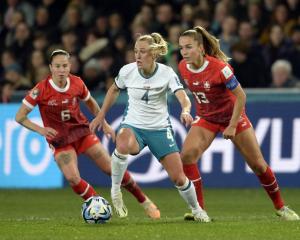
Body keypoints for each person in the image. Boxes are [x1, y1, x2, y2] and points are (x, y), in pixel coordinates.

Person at [15, 49, 160, 219]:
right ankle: (97, 204)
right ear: (51, 68)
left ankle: (144, 201)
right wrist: (41, 130)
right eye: (57, 66)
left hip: (82, 133)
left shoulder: (77, 83)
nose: (61, 70)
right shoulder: (41, 89)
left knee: (113, 169)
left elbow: (90, 103)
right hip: (60, 140)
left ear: (69, 66)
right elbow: (20, 116)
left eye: (64, 66)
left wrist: (104, 123)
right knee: (73, 179)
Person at [178, 26, 300, 221]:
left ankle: (281, 207)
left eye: (189, 47)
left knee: (258, 165)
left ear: (201, 48)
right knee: (186, 156)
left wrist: (233, 125)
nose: (184, 52)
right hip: (207, 118)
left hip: (232, 117)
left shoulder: (220, 68)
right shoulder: (183, 67)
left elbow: (241, 97)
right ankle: (199, 210)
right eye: (182, 48)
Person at [90, 33, 210, 222]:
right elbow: (114, 89)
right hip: (133, 125)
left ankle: (196, 209)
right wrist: (101, 114)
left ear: (153, 54)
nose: (137, 56)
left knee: (179, 178)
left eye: (143, 52)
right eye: (135, 51)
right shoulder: (127, 71)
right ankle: (115, 190)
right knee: (122, 144)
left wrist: (186, 110)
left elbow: (182, 96)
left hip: (160, 130)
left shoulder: (166, 73)